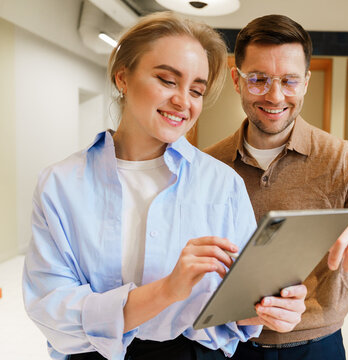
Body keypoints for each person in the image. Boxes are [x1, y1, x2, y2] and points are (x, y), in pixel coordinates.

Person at [22, 12, 307, 360]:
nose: (183, 101)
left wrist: (273, 311)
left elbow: (234, 310)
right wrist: (166, 291)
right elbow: (52, 312)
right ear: (123, 77)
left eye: (197, 90)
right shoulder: (61, 185)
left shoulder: (221, 185)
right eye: (167, 80)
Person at [204, 14, 348, 359]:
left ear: (306, 82)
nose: (275, 96)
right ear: (237, 79)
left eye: (289, 81)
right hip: (228, 344)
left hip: (316, 347)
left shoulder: (342, 159)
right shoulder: (209, 165)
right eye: (259, 79)